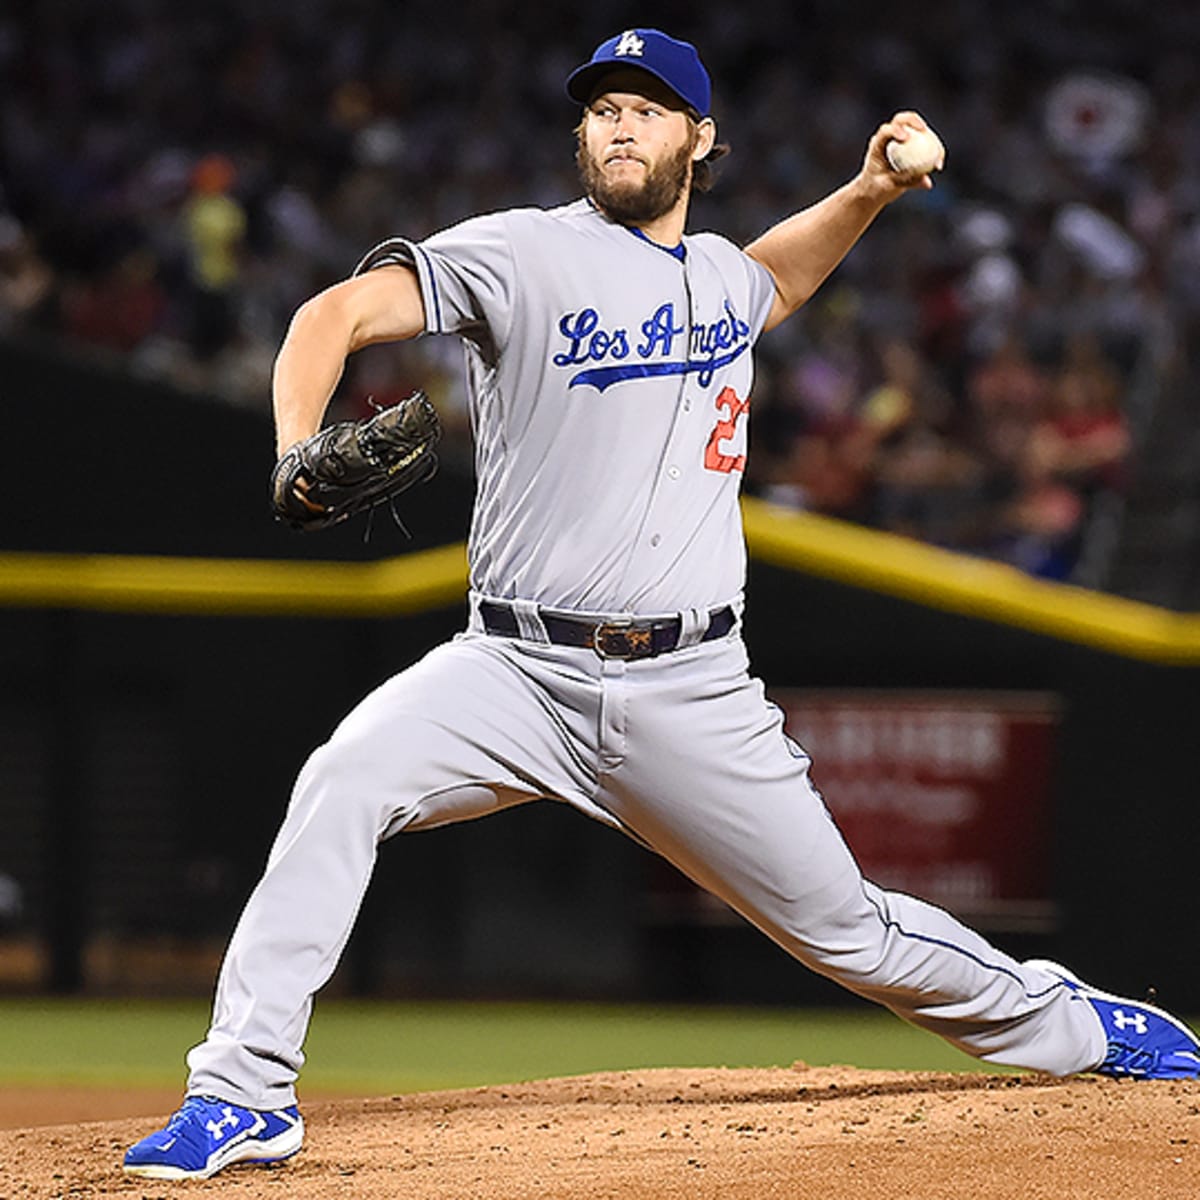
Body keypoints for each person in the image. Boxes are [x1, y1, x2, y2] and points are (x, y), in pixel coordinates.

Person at [124, 28, 1200, 1181]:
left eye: (648, 107)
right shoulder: (521, 255)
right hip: (513, 672)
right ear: (580, 137)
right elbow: (330, 317)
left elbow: (778, 275)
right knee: (342, 780)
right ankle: (243, 1092)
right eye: (602, 109)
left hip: (691, 690)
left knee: (851, 933)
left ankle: (1079, 1026)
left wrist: (872, 188)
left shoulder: (723, 276)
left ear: (699, 139)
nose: (621, 124)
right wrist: (295, 443)